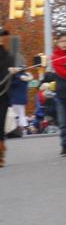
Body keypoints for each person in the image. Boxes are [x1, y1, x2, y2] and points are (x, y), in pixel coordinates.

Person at [0, 26, 13, 167]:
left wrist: (13, 72)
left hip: (3, 94)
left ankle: (0, 154)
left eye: (3, 36)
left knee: (0, 125)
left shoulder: (8, 56)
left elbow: (8, 76)